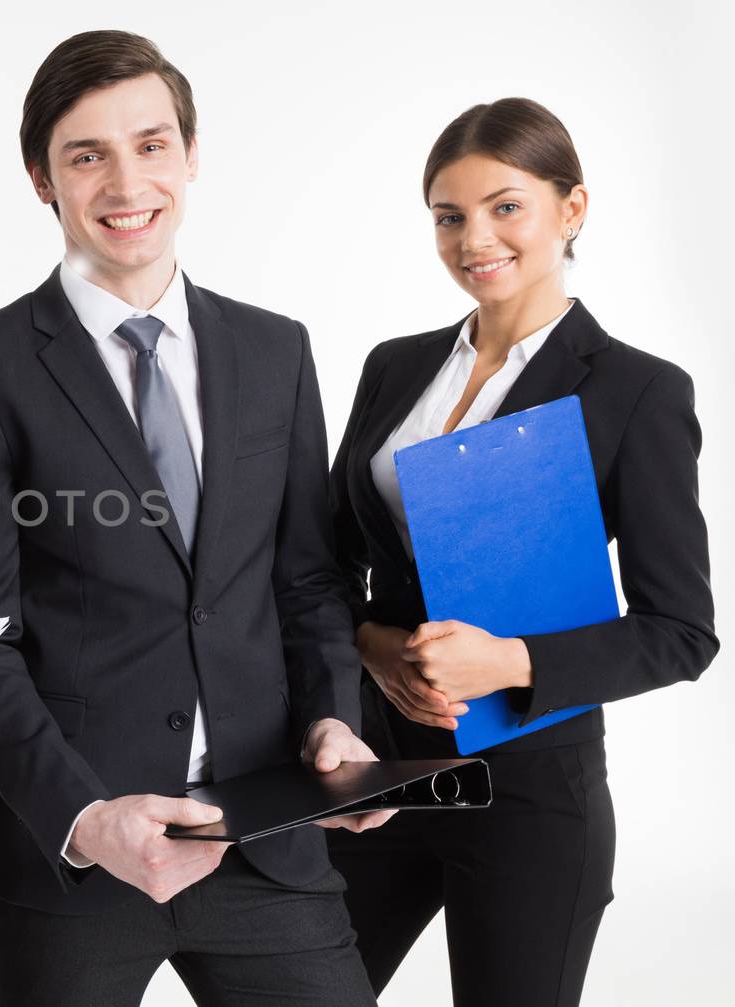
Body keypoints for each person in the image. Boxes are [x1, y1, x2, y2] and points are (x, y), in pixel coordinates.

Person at [0, 32, 388, 1006]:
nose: (124, 180)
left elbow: (305, 580)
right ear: (41, 178)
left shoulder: (275, 351)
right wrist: (84, 816)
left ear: (190, 154)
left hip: (268, 846)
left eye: (150, 144)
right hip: (75, 863)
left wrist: (335, 720)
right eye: (85, 154)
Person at [326, 97, 718, 1007]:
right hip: (378, 772)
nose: (475, 239)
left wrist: (507, 661)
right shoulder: (394, 366)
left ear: (571, 209)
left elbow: (680, 632)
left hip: (532, 793)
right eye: (450, 216)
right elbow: (326, 561)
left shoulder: (637, 392)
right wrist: (377, 647)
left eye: (507, 207)